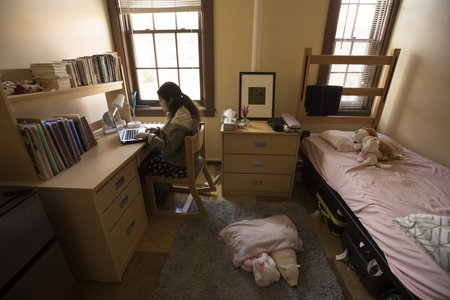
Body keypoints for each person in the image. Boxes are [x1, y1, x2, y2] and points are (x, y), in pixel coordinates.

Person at [136, 81, 201, 179]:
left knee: (143, 167)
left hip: (181, 165)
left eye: (161, 100)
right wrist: (158, 131)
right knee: (152, 155)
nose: (160, 103)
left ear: (170, 100)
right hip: (185, 159)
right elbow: (172, 135)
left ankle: (160, 193)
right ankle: (163, 191)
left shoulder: (180, 121)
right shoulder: (183, 112)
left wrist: (148, 136)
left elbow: (170, 146)